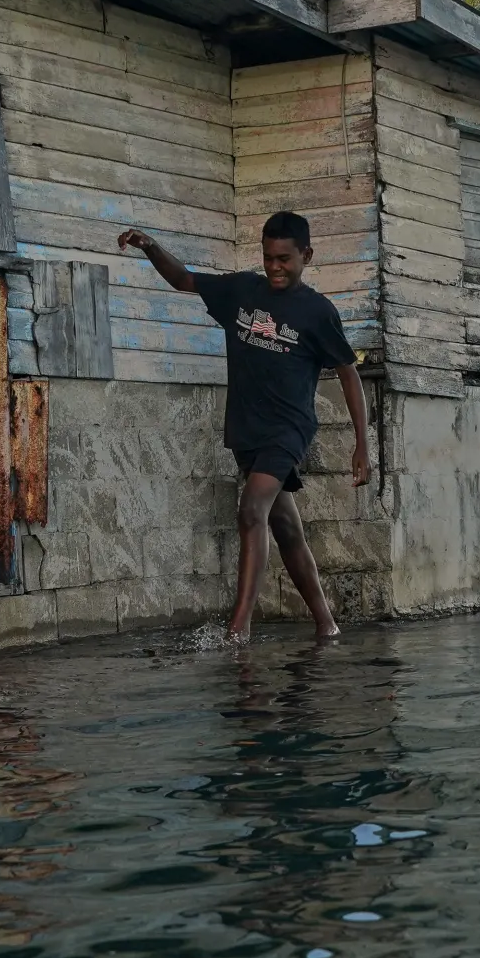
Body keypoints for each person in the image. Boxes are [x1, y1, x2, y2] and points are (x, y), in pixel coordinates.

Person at [118, 212, 370, 641]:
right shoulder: (242, 290)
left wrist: (362, 443)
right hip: (246, 427)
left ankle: (239, 629)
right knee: (285, 527)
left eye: (285, 259)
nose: (275, 266)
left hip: (288, 430)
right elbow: (184, 280)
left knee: (252, 510)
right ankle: (326, 624)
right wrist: (151, 247)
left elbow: (348, 373)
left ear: (306, 256)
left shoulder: (317, 313)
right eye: (268, 257)